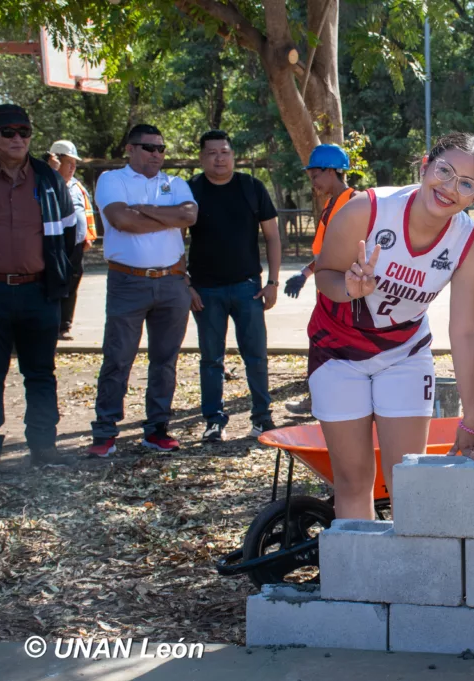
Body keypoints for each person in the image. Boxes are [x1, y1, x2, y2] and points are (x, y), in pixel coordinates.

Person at [308, 132, 474, 519]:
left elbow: (464, 330)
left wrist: (471, 416)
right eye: (443, 171)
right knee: (354, 481)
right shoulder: (367, 209)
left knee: (407, 481)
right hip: (337, 351)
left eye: (465, 184)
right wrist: (349, 288)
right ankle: (361, 574)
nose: (449, 188)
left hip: (404, 354)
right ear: (425, 165)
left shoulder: (468, 242)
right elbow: (325, 274)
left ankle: (411, 576)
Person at [86, 123, 197, 457]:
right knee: (118, 358)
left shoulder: (175, 182)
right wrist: (168, 217)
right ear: (129, 149)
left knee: (165, 359)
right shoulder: (111, 180)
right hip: (127, 282)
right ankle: (105, 432)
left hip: (172, 282)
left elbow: (189, 216)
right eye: (148, 148)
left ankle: (157, 429)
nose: (156, 154)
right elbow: (122, 221)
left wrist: (143, 209)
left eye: (161, 148)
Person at [0, 104, 78, 475]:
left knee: (40, 373)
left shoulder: (49, 179)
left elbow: (71, 233)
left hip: (38, 293)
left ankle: (43, 447)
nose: (17, 139)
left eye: (23, 131)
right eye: (8, 132)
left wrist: (57, 279)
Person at [187, 130, 281, 441]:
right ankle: (214, 420)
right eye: (211, 153)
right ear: (202, 158)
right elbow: (173, 239)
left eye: (224, 152)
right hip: (205, 291)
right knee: (211, 358)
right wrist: (185, 284)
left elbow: (272, 237)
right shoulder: (191, 191)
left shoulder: (251, 187)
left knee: (256, 355)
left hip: (248, 288)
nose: (219, 158)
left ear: (233, 155)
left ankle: (262, 417)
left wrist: (272, 282)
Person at [282, 144, 356, 416]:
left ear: (331, 171)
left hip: (343, 291)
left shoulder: (353, 201)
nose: (312, 182)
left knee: (324, 341)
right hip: (329, 288)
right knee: (323, 341)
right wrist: (306, 273)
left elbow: (346, 250)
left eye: (315, 175)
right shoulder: (331, 204)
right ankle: (321, 399)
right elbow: (326, 251)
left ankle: (321, 401)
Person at [50, 140, 97, 340]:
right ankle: (51, 324)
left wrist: (88, 235)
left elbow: (87, 211)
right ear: (56, 161)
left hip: (76, 246)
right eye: (68, 162)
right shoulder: (45, 183)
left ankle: (64, 325)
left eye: (74, 163)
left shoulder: (78, 186)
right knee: (54, 284)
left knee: (72, 283)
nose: (72, 167)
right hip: (53, 246)